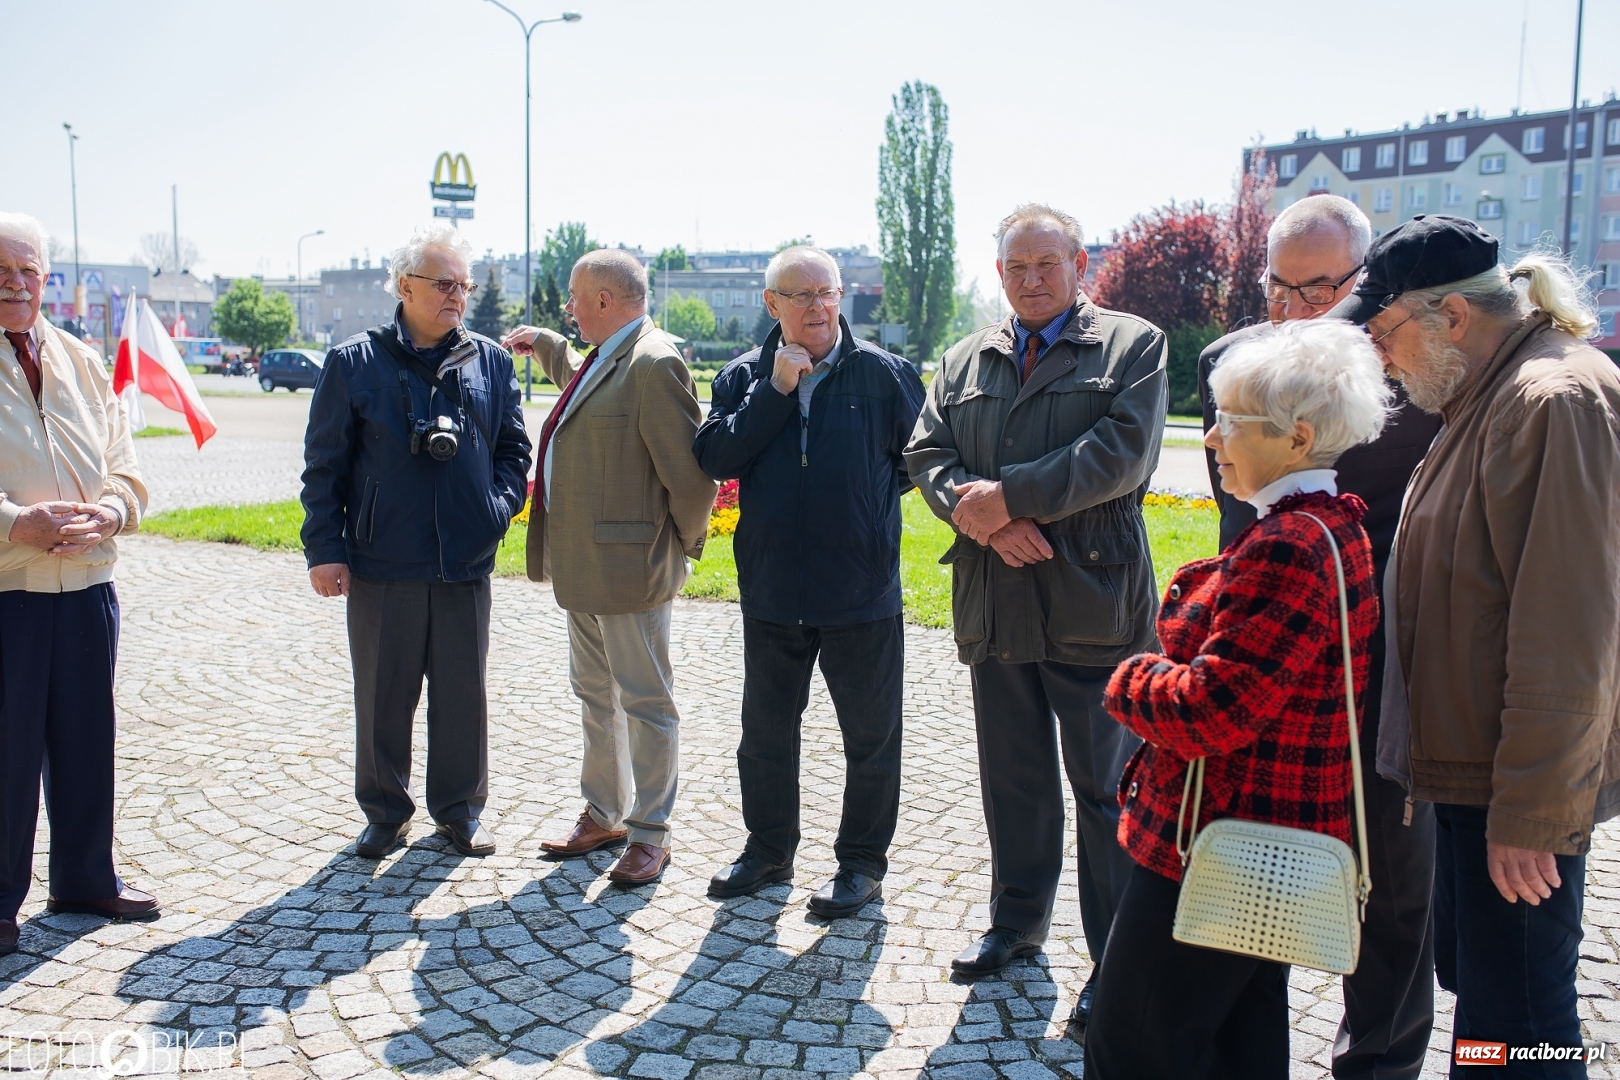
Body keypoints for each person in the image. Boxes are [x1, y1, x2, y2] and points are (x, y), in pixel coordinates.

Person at [1330, 215, 1620, 1079]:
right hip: (1471, 776)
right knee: (1489, 1004)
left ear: (1450, 315)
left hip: (1512, 792)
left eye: (1383, 334)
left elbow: (1569, 628)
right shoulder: (1486, 391)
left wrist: (1531, 812)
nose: (1380, 357)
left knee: (1523, 1023)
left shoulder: (1551, 400)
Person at [1085, 318, 1390, 1079]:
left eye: (1230, 422)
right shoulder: (1325, 525)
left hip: (1221, 841)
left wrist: (1129, 677)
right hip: (1255, 833)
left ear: (1298, 438)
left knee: (1133, 1048)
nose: (1213, 440)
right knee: (1239, 1042)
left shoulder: (1289, 543)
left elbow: (1209, 711)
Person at [1195, 195, 1442, 1079]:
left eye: (1324, 287)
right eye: (1281, 286)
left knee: (1395, 890)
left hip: (1388, 669)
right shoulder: (1233, 366)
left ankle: (1378, 1062)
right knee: (1253, 865)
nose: (1300, 307)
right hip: (1271, 659)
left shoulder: (1418, 382)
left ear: (1366, 282)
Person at [905, 204, 1166, 1022]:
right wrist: (973, 510)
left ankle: (1117, 965)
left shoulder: (1133, 345)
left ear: (1080, 263)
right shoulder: (966, 355)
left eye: (1045, 264)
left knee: (1105, 791)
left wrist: (1008, 498)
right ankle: (1015, 925)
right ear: (999, 274)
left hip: (1093, 600)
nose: (1030, 280)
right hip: (998, 601)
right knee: (1012, 779)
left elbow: (1121, 456)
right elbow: (927, 452)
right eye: (1015, 268)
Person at [693, 246, 925, 916]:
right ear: (772, 304)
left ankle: (860, 866)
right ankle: (767, 850)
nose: (820, 306)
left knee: (872, 738)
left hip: (861, 593)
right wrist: (775, 393)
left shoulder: (884, 375)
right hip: (772, 592)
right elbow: (716, 456)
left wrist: (860, 514)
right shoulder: (742, 377)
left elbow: (915, 464)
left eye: (829, 292)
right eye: (802, 295)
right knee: (764, 735)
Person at [301, 223, 531, 860]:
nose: (457, 295)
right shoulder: (353, 363)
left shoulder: (490, 359)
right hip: (382, 561)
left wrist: (497, 507)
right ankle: (384, 811)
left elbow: (514, 448)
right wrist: (325, 547)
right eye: (443, 283)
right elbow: (324, 466)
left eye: (463, 284)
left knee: (463, 695)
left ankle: (458, 811)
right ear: (404, 286)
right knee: (382, 694)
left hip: (465, 559)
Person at [502, 250, 717, 886]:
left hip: (633, 571)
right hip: (587, 567)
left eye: (573, 298)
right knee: (596, 697)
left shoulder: (655, 362)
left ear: (603, 301)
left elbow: (692, 479)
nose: (566, 308)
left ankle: (651, 833)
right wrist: (543, 344)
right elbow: (584, 380)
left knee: (646, 703)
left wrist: (675, 548)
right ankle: (605, 812)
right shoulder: (610, 355)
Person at [0, 211, 158, 955]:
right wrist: (12, 523)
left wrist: (112, 512)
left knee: (88, 739)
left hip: (90, 587)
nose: (16, 282)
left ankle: (85, 877)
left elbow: (128, 468)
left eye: (28, 270)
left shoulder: (81, 360)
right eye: (1, 270)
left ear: (46, 277)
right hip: (9, 591)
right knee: (6, 748)